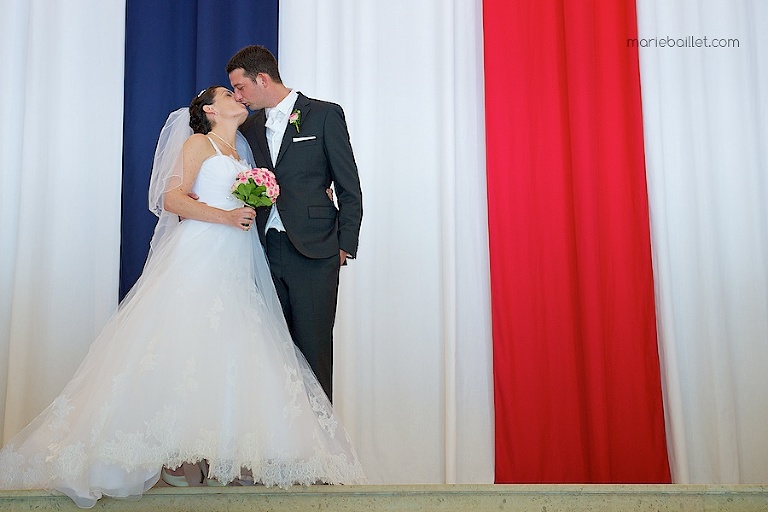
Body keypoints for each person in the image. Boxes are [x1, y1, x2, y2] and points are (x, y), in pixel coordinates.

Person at [0, 86, 365, 508]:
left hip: (239, 256)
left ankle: (216, 452)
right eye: (229, 93)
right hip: (203, 249)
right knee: (184, 341)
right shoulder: (197, 142)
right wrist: (226, 216)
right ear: (210, 109)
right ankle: (175, 456)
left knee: (231, 347)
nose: (238, 98)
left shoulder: (244, 154)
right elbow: (171, 197)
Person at [227, 45, 363, 401]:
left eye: (240, 88)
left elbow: (349, 187)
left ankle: (320, 454)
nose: (238, 97)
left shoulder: (323, 115)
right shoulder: (251, 127)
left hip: (315, 252)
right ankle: (282, 452)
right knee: (272, 355)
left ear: (262, 79)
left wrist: (343, 246)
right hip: (264, 251)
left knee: (314, 353)